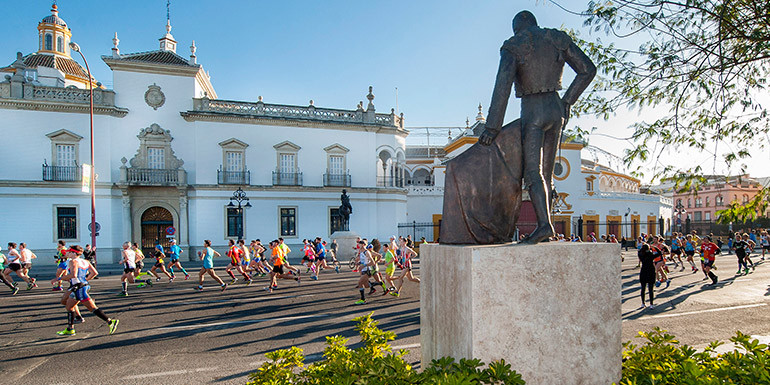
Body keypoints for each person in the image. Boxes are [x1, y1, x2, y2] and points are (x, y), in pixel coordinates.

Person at [56, 245, 119, 336]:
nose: (67, 253)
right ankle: (70, 329)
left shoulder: (73, 261)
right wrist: (86, 280)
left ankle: (110, 321)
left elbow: (73, 275)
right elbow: (94, 273)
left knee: (92, 308)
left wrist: (59, 279)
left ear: (74, 253)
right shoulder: (85, 261)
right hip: (79, 286)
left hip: (79, 288)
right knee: (68, 305)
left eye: (69, 252)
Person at [637, 243, 657, 309]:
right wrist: (654, 248)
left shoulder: (641, 254)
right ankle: (651, 304)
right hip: (651, 271)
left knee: (643, 288)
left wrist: (642, 249)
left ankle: (643, 303)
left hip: (643, 271)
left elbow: (639, 252)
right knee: (651, 289)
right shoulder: (651, 255)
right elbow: (659, 253)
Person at [354, 241, 373, 305]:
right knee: (366, 285)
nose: (359, 245)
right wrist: (359, 263)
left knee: (360, 283)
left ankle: (363, 299)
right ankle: (379, 283)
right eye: (358, 244)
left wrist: (364, 265)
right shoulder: (361, 252)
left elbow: (372, 262)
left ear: (363, 244)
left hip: (367, 270)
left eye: (360, 244)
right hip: (363, 270)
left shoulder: (367, 252)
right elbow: (363, 261)